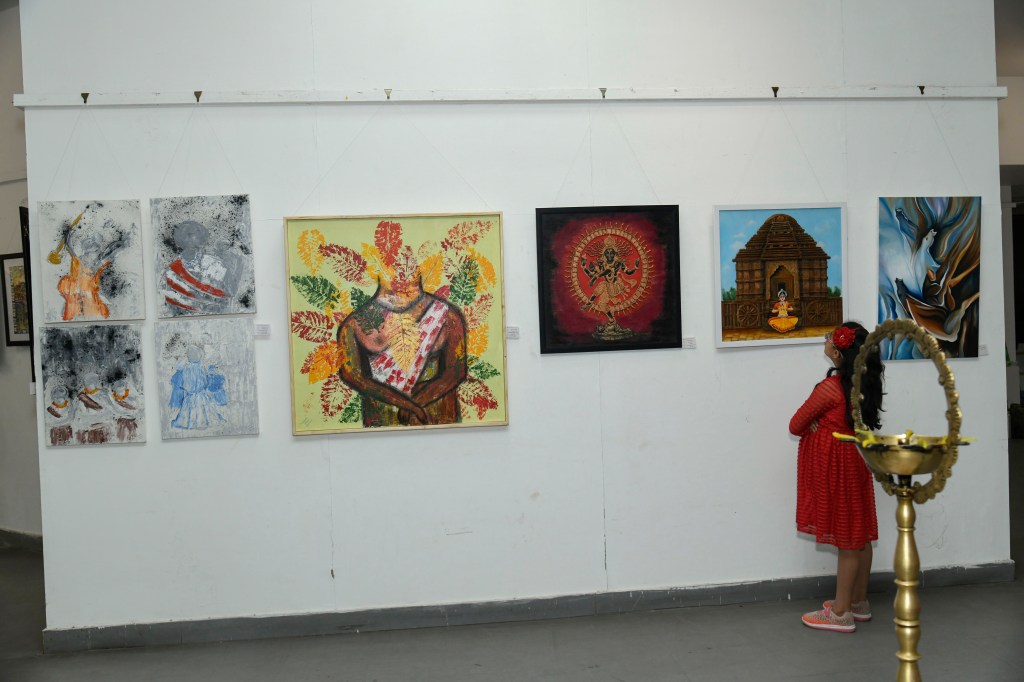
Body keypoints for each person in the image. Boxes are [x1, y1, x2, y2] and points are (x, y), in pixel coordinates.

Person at [789, 321, 885, 632]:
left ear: (839, 353)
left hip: (836, 468)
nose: (827, 339)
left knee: (847, 540)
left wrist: (816, 424)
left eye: (831, 337)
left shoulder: (829, 389)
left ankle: (840, 613)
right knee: (859, 535)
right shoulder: (861, 386)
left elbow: (795, 424)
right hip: (855, 462)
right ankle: (858, 601)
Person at [336, 274, 467, 428]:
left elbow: (456, 372)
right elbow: (351, 375)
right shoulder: (353, 324)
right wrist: (409, 405)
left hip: (437, 420)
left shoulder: (447, 315)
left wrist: (419, 401)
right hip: (382, 423)